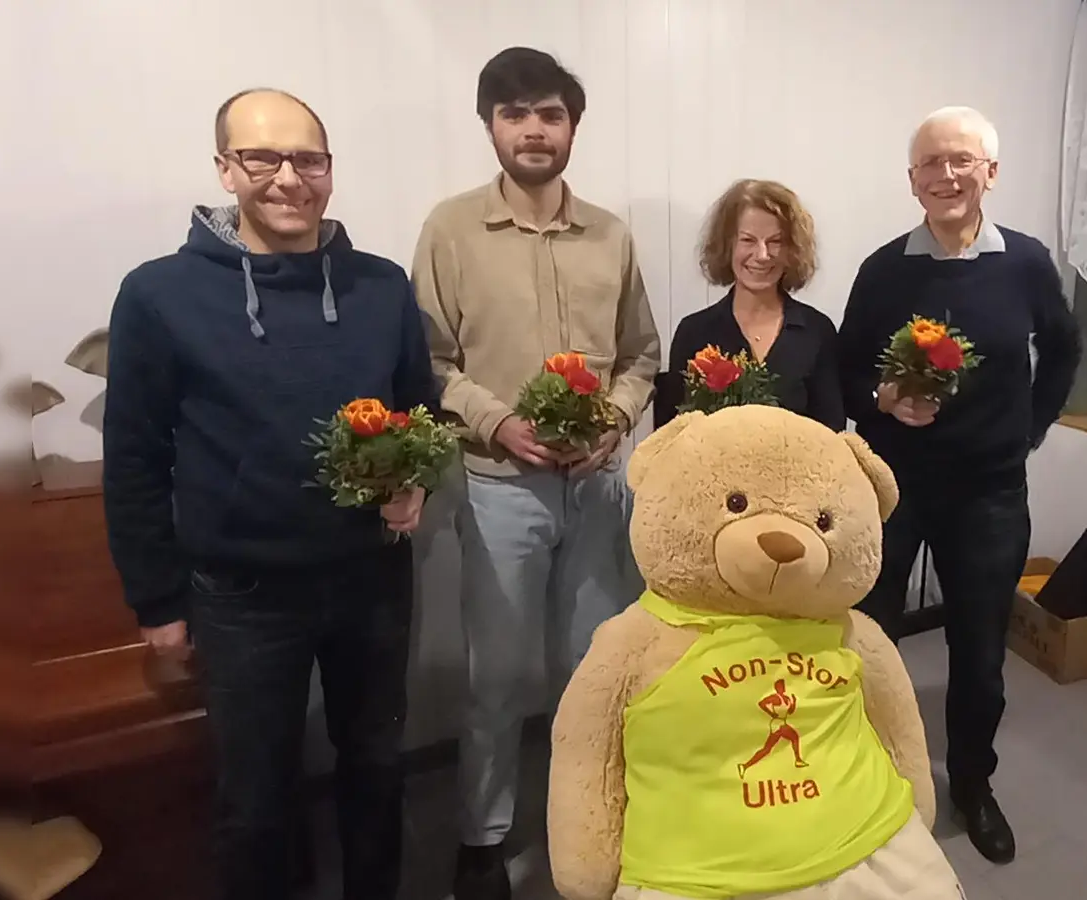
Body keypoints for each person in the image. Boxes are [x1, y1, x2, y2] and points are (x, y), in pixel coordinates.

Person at [102, 88, 438, 900]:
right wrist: (156, 601)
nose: (289, 178)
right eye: (263, 157)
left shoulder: (383, 286)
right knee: (255, 801)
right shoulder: (157, 295)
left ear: (330, 171)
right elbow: (136, 458)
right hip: (241, 595)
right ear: (226, 168)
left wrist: (415, 486)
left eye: (309, 159)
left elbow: (422, 415)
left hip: (371, 579)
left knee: (377, 771)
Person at [411, 47, 660, 900]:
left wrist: (618, 420)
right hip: (497, 489)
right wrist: (499, 422)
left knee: (594, 670)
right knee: (497, 678)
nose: (533, 130)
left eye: (549, 114)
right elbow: (432, 362)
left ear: (572, 128)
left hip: (596, 487)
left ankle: (589, 826)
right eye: (515, 114)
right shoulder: (449, 231)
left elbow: (641, 357)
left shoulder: (611, 235)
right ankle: (483, 839)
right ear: (491, 126)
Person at [836, 106, 1080, 865]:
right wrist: (882, 401)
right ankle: (867, 777)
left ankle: (973, 784)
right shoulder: (883, 271)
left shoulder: (1028, 264)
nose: (945, 176)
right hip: (896, 488)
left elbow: (1066, 354)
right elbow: (847, 374)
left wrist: (1029, 432)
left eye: (960, 161)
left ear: (990, 174)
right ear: (911, 183)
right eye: (929, 165)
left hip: (990, 494)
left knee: (980, 654)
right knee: (869, 639)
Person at [653, 179, 844, 431]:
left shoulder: (817, 331)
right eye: (748, 240)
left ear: (793, 250)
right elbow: (670, 434)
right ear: (726, 245)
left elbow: (831, 434)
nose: (762, 255)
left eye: (776, 241)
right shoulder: (694, 332)